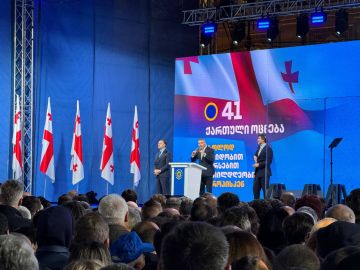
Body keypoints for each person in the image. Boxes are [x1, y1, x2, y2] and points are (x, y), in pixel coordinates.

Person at [253, 134, 273, 200]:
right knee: (255, 190)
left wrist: (259, 164)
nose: (257, 140)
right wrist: (255, 156)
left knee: (265, 192)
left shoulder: (268, 149)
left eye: (259, 138)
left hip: (264, 172)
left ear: (263, 139)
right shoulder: (259, 148)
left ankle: (266, 206)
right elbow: (256, 156)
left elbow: (268, 162)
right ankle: (256, 205)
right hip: (258, 173)